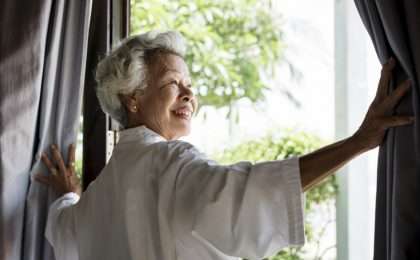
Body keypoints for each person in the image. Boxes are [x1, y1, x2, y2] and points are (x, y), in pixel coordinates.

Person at [35, 31, 413, 260]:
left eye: (189, 83)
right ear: (132, 97)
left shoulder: (97, 197)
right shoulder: (171, 163)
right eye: (172, 82)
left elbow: (64, 228)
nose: (189, 92)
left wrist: (70, 193)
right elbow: (251, 192)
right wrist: (359, 141)